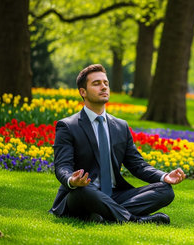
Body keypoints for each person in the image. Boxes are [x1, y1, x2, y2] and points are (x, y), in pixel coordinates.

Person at [49, 64, 185, 224]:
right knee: (85, 191)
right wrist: (72, 180)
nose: (103, 87)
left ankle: (104, 215)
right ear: (83, 92)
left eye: (106, 83)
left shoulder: (121, 126)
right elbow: (62, 166)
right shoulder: (68, 126)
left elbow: (137, 165)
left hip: (115, 194)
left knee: (165, 190)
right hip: (84, 192)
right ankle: (135, 220)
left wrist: (164, 176)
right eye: (96, 83)